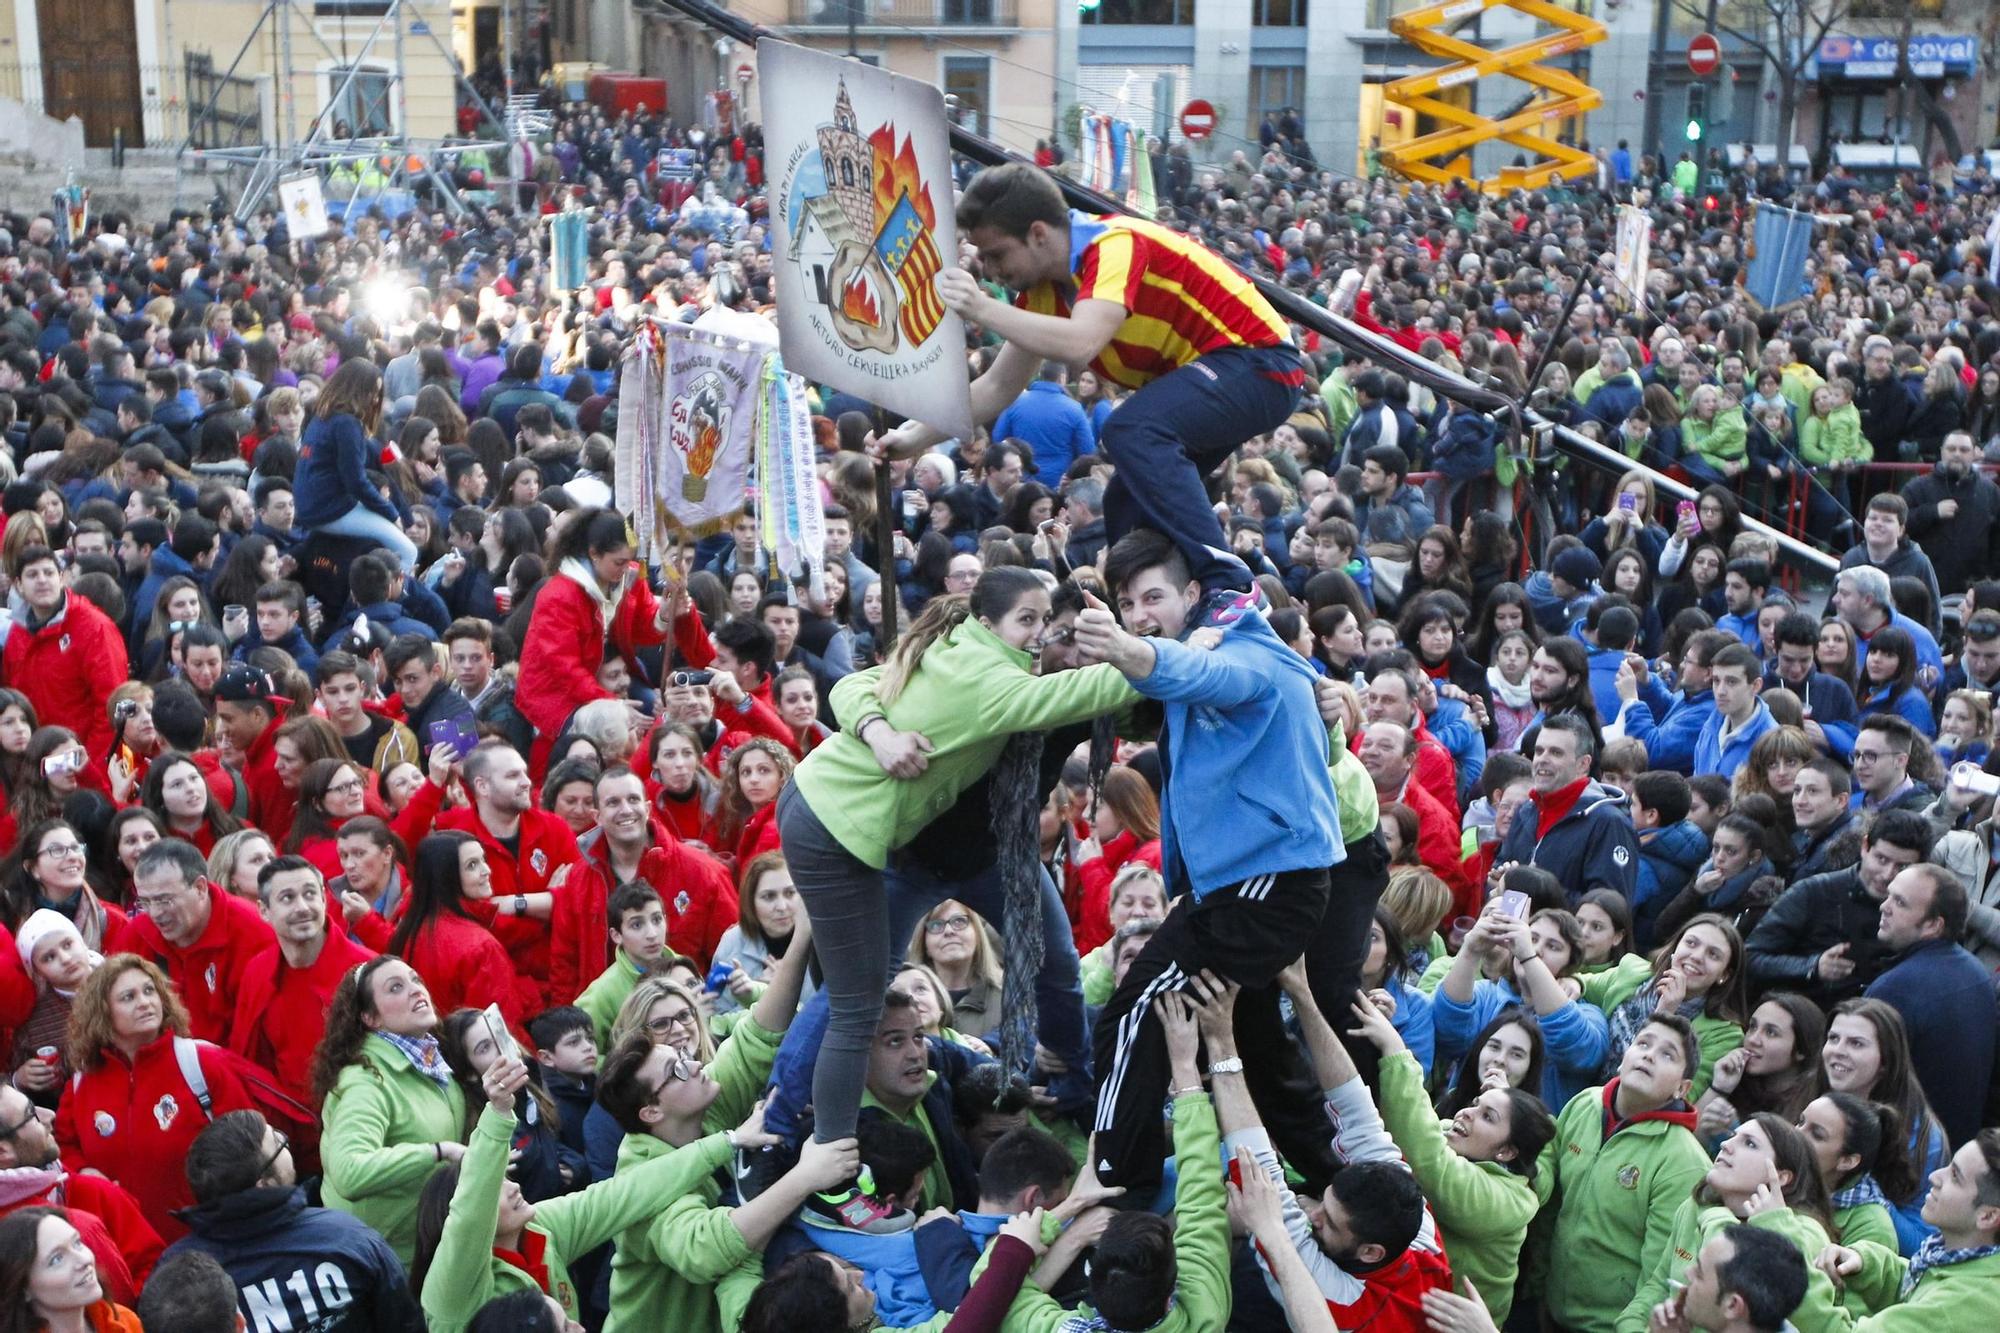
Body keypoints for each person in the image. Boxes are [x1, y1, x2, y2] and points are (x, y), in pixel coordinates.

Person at [774, 565, 1132, 1176]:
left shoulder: (1066, 683)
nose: (1054, 642)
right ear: (990, 625)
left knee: (1056, 961)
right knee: (854, 997)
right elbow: (855, 687)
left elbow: (1146, 699)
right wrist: (880, 731)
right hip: (911, 857)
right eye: (1043, 627)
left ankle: (1073, 1081)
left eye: (1067, 631)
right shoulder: (990, 675)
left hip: (1002, 856)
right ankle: (784, 1119)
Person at [872, 162, 1305, 598]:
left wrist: (981, 308)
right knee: (1124, 504)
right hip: (1221, 375)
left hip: (1260, 363)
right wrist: (911, 439)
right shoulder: (1043, 293)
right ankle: (1153, 610)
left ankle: (1228, 589)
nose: (991, 269)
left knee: (1131, 428)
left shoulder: (1114, 244)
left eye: (997, 254)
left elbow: (1081, 342)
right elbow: (996, 387)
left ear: (1039, 234)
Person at [1073, 529, 1350, 1193]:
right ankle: (1339, 1183)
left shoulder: (1244, 648)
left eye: (1154, 597)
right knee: (1259, 1051)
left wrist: (1128, 648)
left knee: (1132, 1017)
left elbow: (1205, 676)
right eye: (1128, 602)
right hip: (1240, 886)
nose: (1141, 613)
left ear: (1194, 593)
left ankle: (1112, 1184)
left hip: (1262, 886)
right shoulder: (1201, 646)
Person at [1347, 986, 1552, 1325]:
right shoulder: (1450, 1114)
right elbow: (1400, 1127)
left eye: (1517, 1054)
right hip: (1404, 1306)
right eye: (1494, 1046)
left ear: (1508, 1150)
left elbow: (1430, 1161)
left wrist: (1397, 1052)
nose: (1500, 1059)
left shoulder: (1514, 1196)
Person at [53, 954, 261, 1240]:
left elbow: (249, 1142)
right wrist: (84, 1172)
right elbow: (63, 1147)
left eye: (150, 990)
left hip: (211, 1239)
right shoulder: (82, 1082)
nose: (145, 1002)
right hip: (128, 1247)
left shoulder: (201, 1062)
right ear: (102, 1013)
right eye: (128, 997)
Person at [164, 1109, 422, 1333]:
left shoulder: (174, 1278)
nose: (287, 1144)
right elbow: (405, 1323)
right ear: (263, 1184)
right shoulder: (347, 1239)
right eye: (278, 1142)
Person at [1542, 1014, 1713, 1333]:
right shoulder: (1584, 1104)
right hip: (1547, 1308)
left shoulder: (1683, 1161)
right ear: (1623, 1058)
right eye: (1643, 1043)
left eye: (1667, 1054)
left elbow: (1658, 1275)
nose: (1649, 1054)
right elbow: (1549, 1201)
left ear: (1682, 1087)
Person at [515, 508, 709, 776]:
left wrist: (663, 616)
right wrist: (611, 704)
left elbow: (641, 630)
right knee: (613, 729)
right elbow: (564, 669)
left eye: (630, 560)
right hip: (555, 691)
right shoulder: (559, 595)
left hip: (604, 674)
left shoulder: (629, 575)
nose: (626, 568)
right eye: (618, 562)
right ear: (594, 554)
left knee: (652, 713)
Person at [549, 766, 736, 1003]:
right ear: (597, 816)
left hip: (686, 1022)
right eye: (613, 802)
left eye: (633, 799)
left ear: (647, 808)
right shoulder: (579, 879)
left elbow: (730, 954)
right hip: (609, 1023)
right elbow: (564, 965)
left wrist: (705, 1012)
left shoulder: (703, 872)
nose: (625, 810)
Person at [435, 740, 585, 1007]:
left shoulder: (554, 828)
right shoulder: (455, 836)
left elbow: (578, 902)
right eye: (513, 775)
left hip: (560, 985)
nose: (527, 782)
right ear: (482, 786)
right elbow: (473, 919)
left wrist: (513, 904)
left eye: (525, 773)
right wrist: (547, 905)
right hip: (494, 994)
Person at [227, 855, 375, 1115]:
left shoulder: (366, 971)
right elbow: (250, 1061)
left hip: (357, 1118)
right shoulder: (257, 972)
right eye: (287, 898)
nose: (302, 907)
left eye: (309, 894)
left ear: (324, 899)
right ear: (264, 911)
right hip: (287, 1124)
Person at [1863, 864, 1996, 1146]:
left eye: (1900, 902)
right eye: (1889, 896)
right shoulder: (1975, 972)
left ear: (1933, 925)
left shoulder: (1895, 990)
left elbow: (1861, 1085)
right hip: (1950, 1146)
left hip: (1901, 1153)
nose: (1884, 907)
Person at [1814, 1130, 2000, 1329]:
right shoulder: (1961, 1262)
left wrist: (1799, 1287)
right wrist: (1866, 1264)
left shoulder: (1965, 1303)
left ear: (1988, 1216)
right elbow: (1918, 1286)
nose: (1934, 1177)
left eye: (1955, 1177)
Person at [0, 1081, 163, 1307]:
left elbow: (156, 1269)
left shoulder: (93, 1193)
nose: (49, 1115)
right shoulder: (83, 1221)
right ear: (2, 1152)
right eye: (31, 1114)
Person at [1745, 810, 1931, 1007]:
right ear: (1865, 847)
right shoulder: (1813, 893)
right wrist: (1813, 967)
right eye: (1882, 859)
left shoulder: (1923, 912)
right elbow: (1750, 957)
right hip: (1804, 1021)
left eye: (1902, 867)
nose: (1887, 875)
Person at [125, 838, 273, 1045]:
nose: (156, 913)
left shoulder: (253, 934)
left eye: (164, 900)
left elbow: (255, 1041)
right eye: (145, 902)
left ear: (200, 888)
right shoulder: (138, 934)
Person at [1495, 713, 1640, 904]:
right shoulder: (1526, 811)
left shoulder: (1609, 823)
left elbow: (1607, 911)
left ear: (1583, 764)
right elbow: (1502, 866)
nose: (1542, 759)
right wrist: (1499, 880)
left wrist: (1534, 889)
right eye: (1539, 751)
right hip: (1514, 931)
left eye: (1556, 752)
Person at [1, 543, 129, 759]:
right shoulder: (17, 633)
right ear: (18, 585)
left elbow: (111, 707)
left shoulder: (94, 628)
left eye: (49, 573)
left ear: (61, 578)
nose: (42, 580)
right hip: (34, 761)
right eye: (32, 575)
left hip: (81, 760)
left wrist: (93, 767)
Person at [294, 359, 419, 571]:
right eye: (372, 392)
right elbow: (355, 481)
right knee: (407, 551)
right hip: (328, 509)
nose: (375, 399)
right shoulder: (347, 424)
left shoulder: (322, 416)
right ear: (358, 390)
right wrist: (393, 514)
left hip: (312, 504)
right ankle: (392, 600)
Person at [0, 1207, 144, 1333]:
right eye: (57, 1259)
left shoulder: (125, 1322)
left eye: (77, 1243)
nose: (84, 1260)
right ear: (24, 1289)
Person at [1693, 644, 1777, 780]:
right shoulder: (1709, 727)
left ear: (1756, 686)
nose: (1720, 691)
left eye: (1731, 682)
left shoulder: (1770, 742)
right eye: (1716, 681)